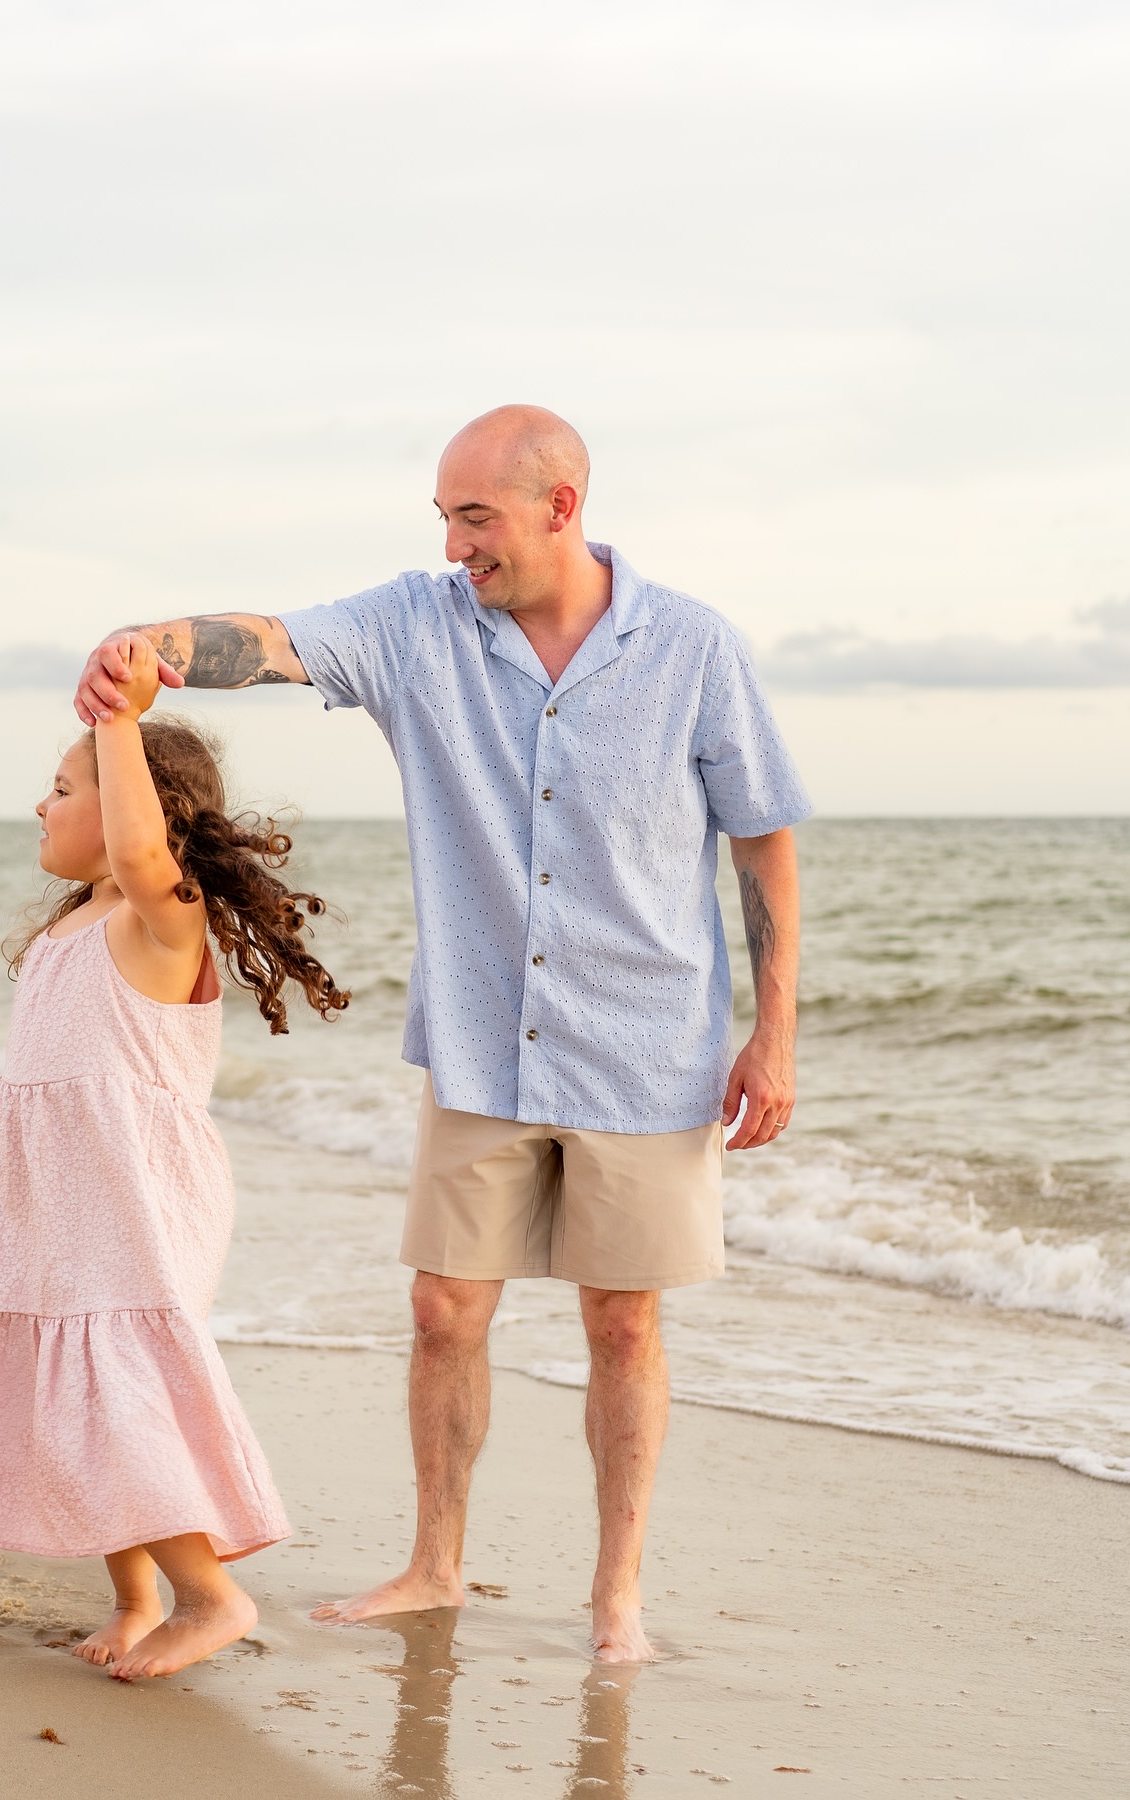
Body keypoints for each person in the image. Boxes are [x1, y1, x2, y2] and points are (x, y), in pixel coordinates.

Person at [73, 405, 811, 1662]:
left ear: (561, 507)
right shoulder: (419, 625)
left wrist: (776, 1030)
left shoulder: (693, 648)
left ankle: (616, 1598)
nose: (456, 545)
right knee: (442, 1311)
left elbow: (762, 836)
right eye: (446, 519)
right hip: (483, 1038)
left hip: (648, 1043)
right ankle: (435, 1566)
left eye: (476, 518)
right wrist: (150, 648)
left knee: (622, 1323)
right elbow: (275, 642)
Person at [0, 639, 350, 1680]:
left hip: (135, 1192)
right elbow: (75, 1052)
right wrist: (1, 1093)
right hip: (64, 1194)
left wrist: (119, 720)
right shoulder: (75, 927)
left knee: (115, 1383)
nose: (41, 805)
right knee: (79, 1382)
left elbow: (146, 857)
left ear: (134, 812)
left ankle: (212, 1596)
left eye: (64, 790)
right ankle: (136, 1599)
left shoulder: (162, 915)